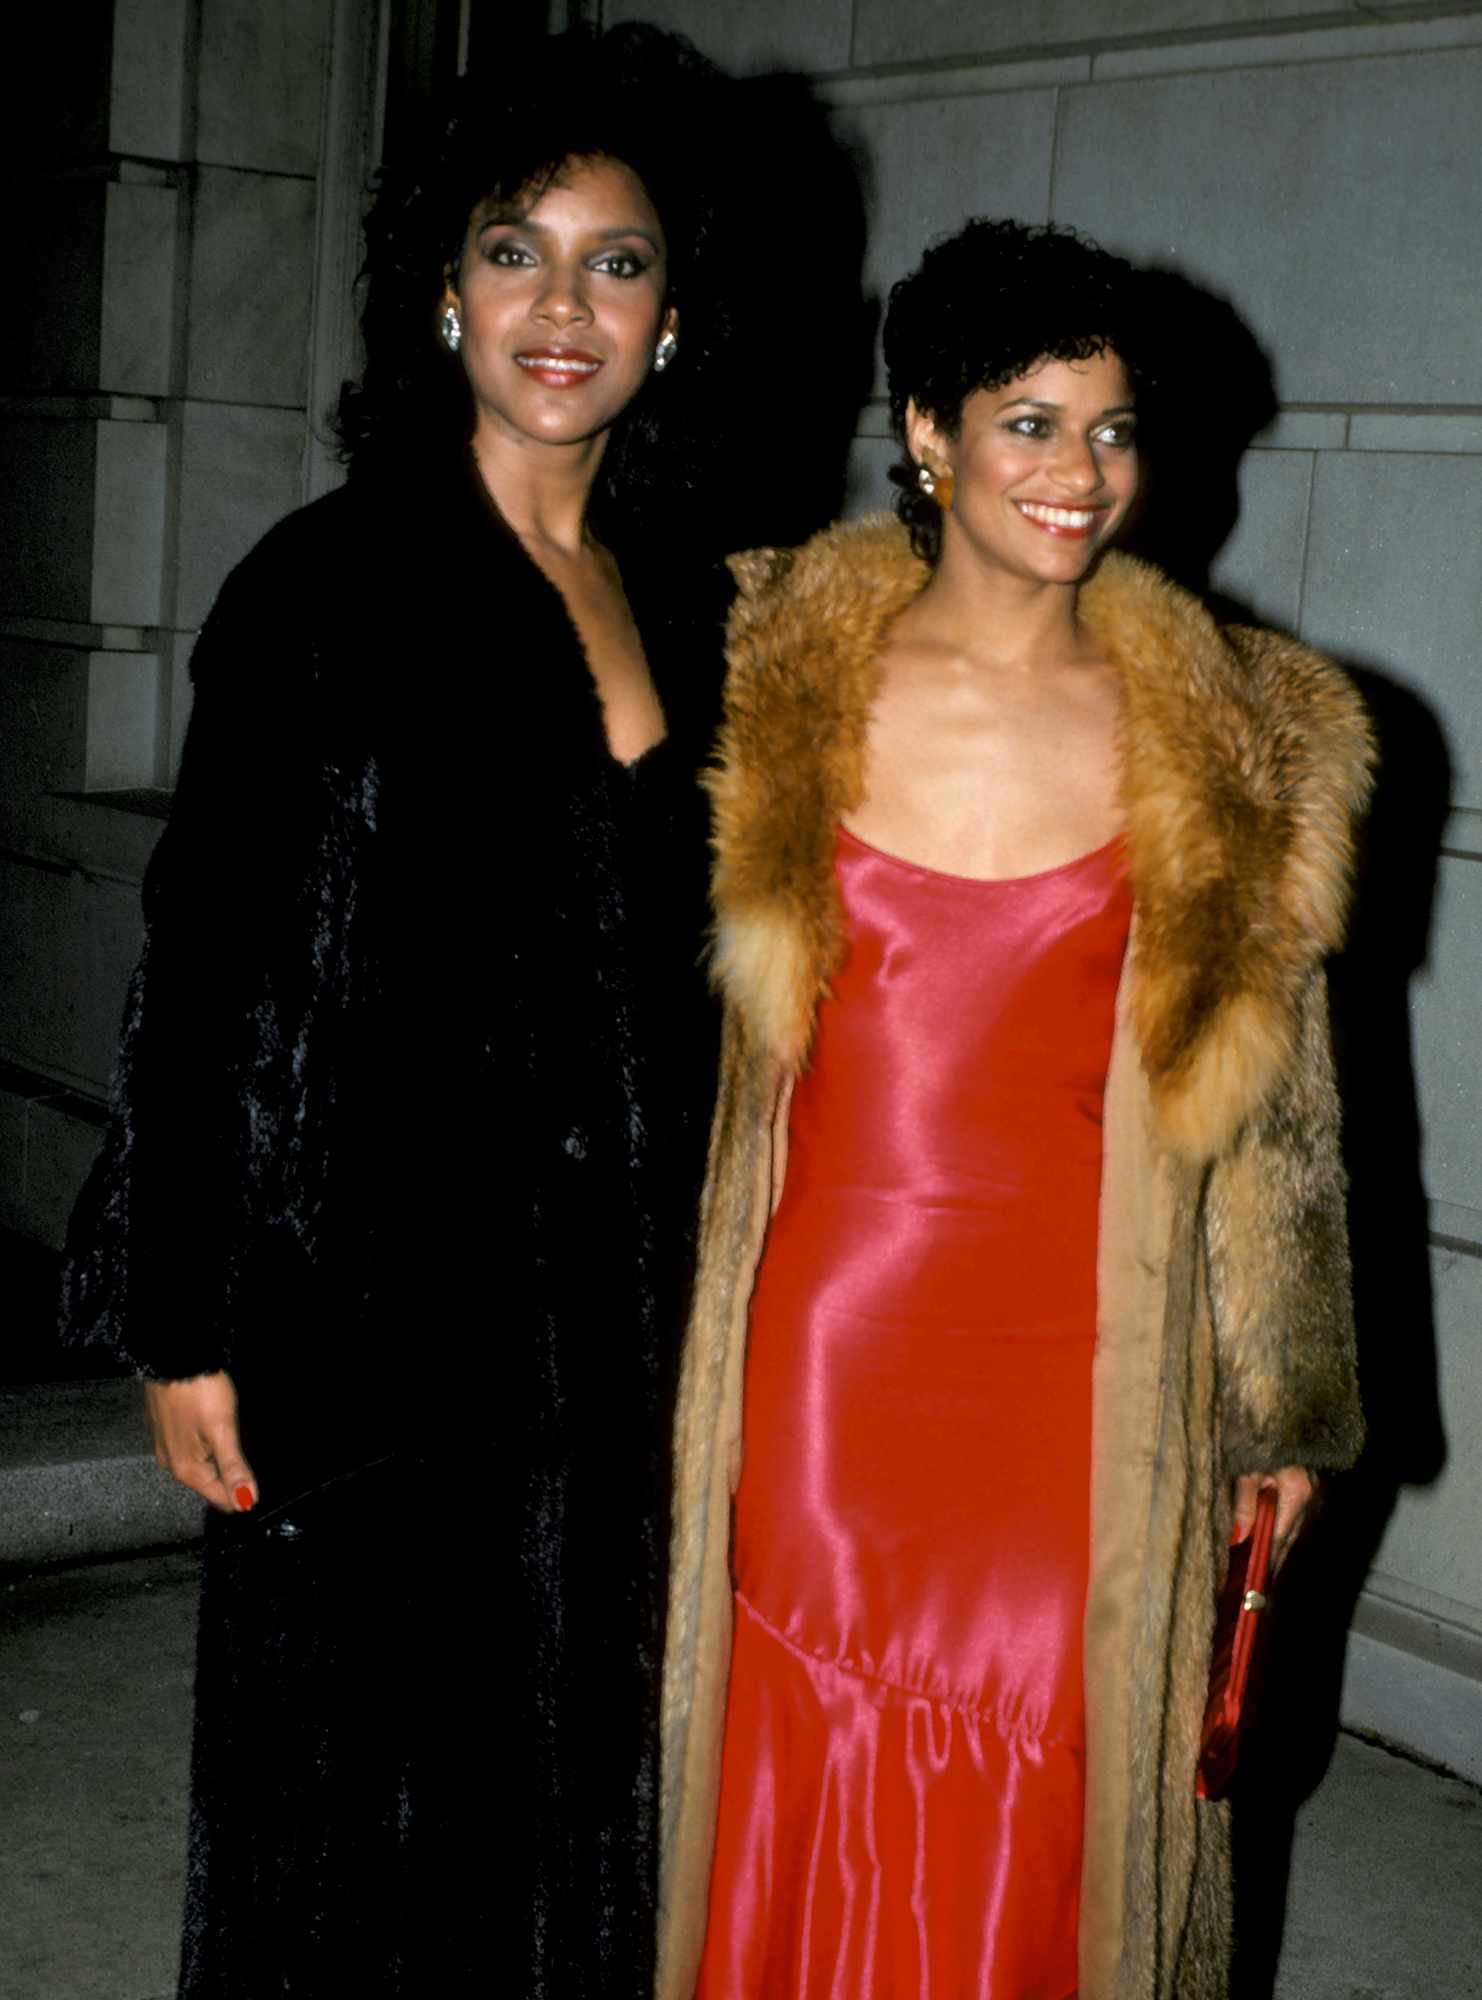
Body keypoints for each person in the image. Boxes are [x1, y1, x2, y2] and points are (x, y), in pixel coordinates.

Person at [62, 24, 741, 1996]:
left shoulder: (702, 601)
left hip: (624, 1334)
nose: (561, 305)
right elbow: (207, 970)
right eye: (513, 251)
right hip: (370, 1322)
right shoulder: (327, 584)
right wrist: (185, 1311)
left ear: (675, 317)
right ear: (440, 290)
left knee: (575, 1818)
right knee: (347, 1830)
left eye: (615, 263)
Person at [657, 219, 1372, 2000]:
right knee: (808, 1732)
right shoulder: (763, 670)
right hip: (831, 1336)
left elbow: (1277, 1101)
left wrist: (1279, 1399)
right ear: (925, 434)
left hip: (1085, 1353)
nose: (1078, 472)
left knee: (1060, 1754)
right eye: (1028, 423)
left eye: (1112, 429)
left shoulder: (1235, 729)